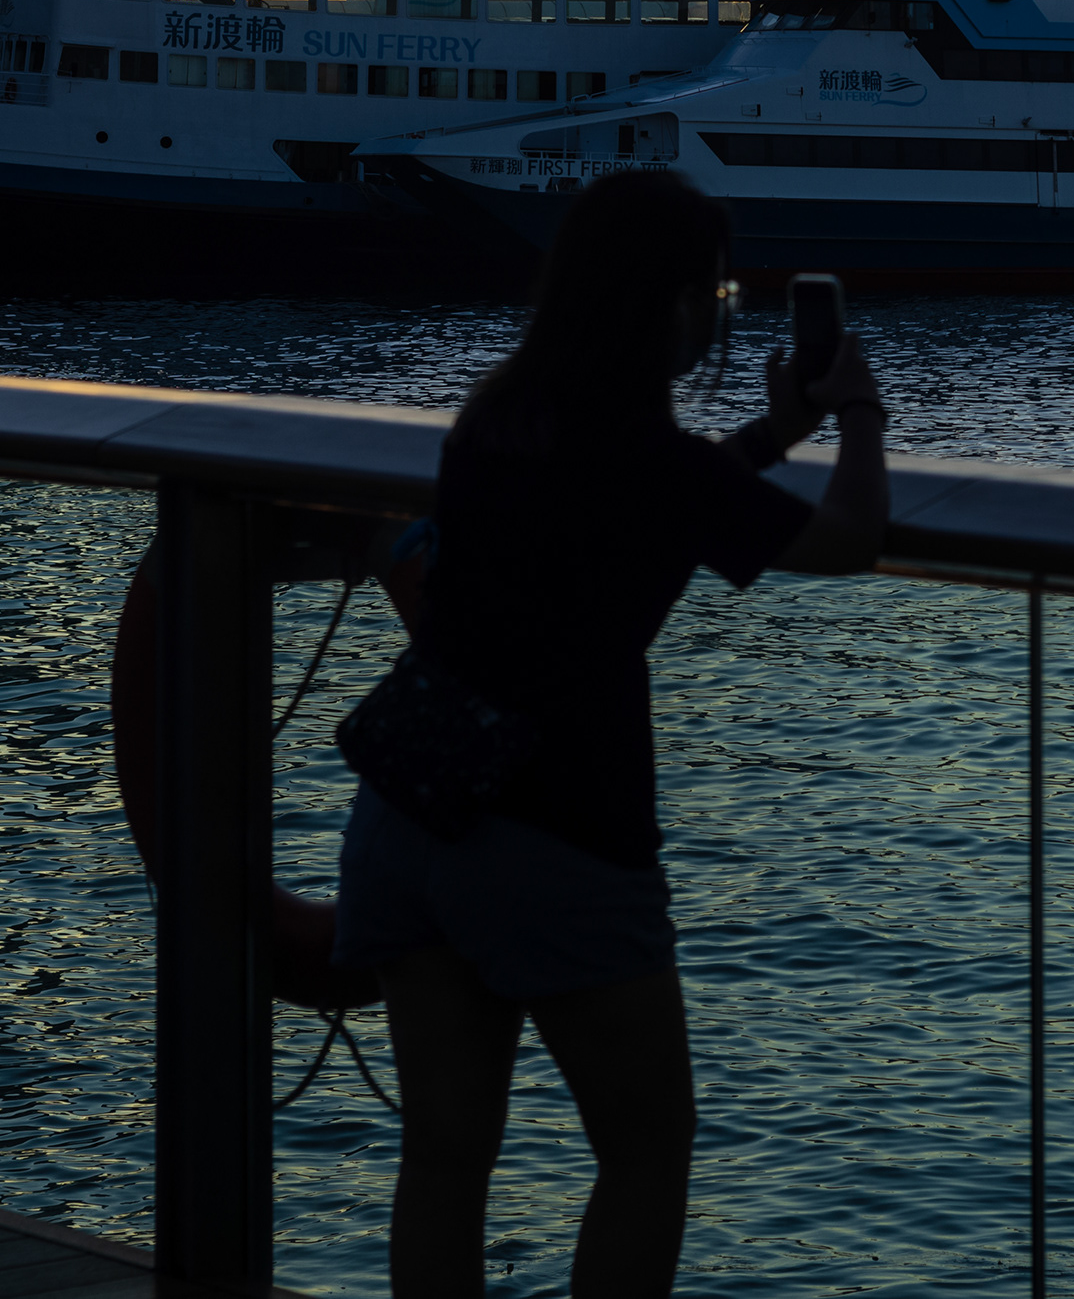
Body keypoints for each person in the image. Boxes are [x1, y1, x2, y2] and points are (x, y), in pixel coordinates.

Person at [334, 168, 890, 1299]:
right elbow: (847, 541)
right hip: (557, 838)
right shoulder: (650, 461)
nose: (721, 315)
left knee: (446, 1152)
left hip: (409, 812)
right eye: (717, 293)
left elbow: (649, 516)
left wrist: (772, 436)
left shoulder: (497, 418)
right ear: (674, 304)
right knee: (645, 1151)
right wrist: (861, 415)